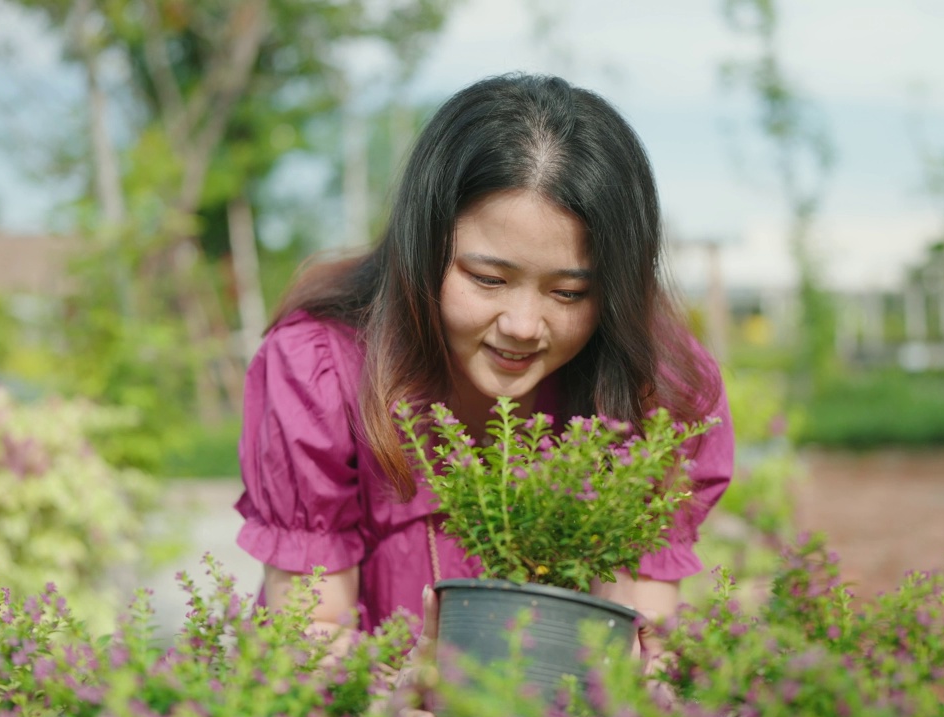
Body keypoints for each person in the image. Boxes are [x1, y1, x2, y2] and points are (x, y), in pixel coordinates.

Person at [235, 72, 734, 680]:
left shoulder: (654, 392)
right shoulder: (321, 373)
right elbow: (309, 634)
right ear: (423, 247)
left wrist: (642, 679)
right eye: (488, 280)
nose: (524, 325)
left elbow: (641, 629)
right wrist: (389, 699)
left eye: (570, 291)